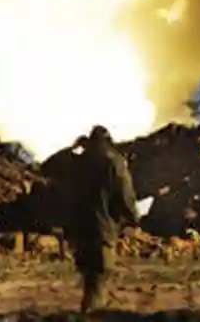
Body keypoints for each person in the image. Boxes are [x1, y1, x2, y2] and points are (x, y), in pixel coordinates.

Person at [67, 124, 139, 314]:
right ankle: (90, 315)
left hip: (79, 232)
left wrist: (72, 148)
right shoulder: (113, 161)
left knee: (91, 281)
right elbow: (125, 193)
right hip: (102, 231)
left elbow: (50, 169)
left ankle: (88, 313)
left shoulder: (77, 162)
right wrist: (133, 218)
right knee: (98, 280)